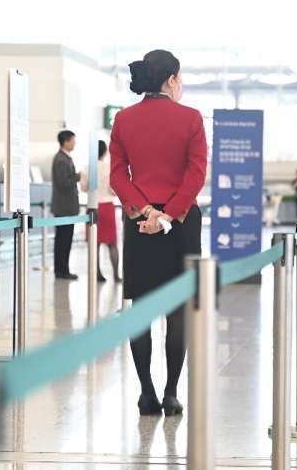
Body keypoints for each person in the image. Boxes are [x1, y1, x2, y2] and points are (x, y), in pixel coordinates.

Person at [110, 49, 207, 417]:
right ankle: (171, 392)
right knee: (177, 310)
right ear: (171, 79)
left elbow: (119, 175)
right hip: (181, 224)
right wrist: (168, 215)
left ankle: (146, 393)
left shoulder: (123, 119)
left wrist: (145, 211)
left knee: (141, 307)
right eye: (180, 78)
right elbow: (195, 175)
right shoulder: (191, 119)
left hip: (139, 223)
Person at [81, 140, 121, 283]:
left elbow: (83, 188)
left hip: (92, 207)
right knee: (112, 243)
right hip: (107, 206)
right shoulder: (109, 168)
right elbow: (114, 190)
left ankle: (97, 275)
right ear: (105, 152)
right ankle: (116, 275)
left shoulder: (87, 168)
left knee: (94, 243)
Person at [51, 130, 80, 280]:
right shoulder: (61, 159)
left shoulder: (65, 158)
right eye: (73, 140)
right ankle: (61, 271)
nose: (74, 143)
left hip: (67, 207)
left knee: (65, 239)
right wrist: (78, 177)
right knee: (63, 240)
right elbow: (63, 183)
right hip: (64, 207)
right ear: (66, 141)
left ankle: (63, 269)